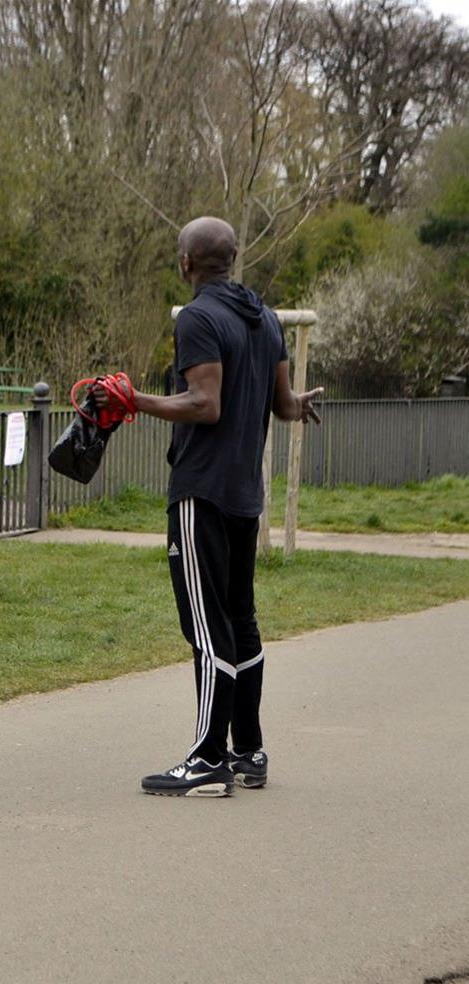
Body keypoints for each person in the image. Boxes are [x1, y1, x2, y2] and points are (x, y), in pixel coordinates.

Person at [94, 217, 323, 797]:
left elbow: (205, 403)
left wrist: (134, 400)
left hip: (201, 492)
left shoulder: (198, 316)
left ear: (185, 264)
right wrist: (298, 406)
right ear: (234, 258)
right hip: (246, 495)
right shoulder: (265, 319)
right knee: (240, 620)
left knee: (207, 625)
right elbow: (282, 402)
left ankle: (207, 760)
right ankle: (248, 751)